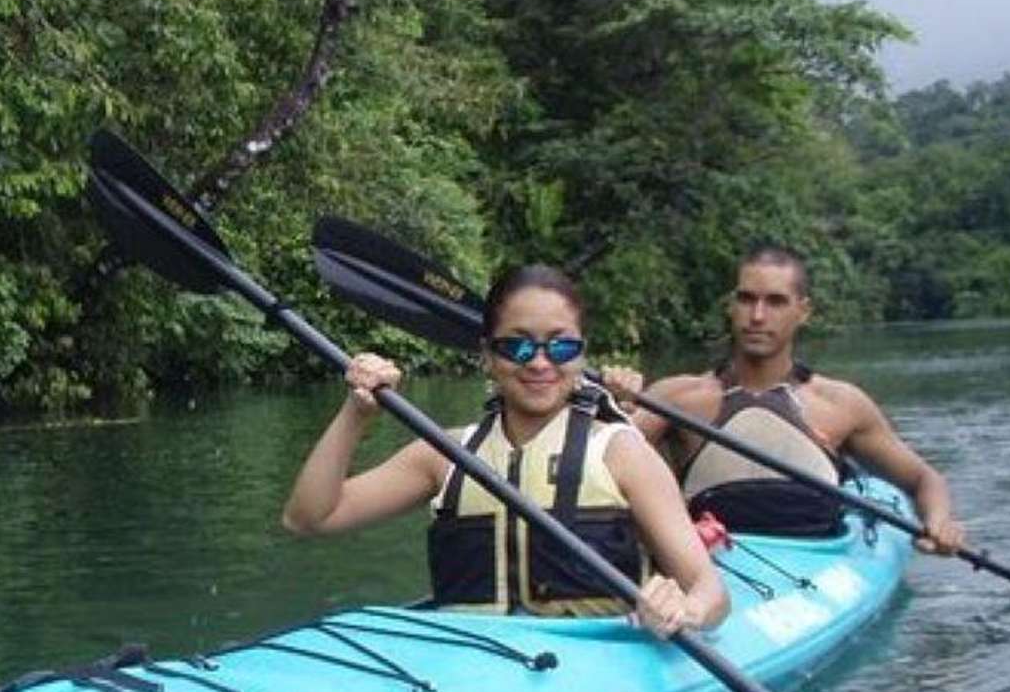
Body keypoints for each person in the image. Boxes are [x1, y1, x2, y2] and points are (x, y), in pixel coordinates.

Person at [282, 264, 727, 638]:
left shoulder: (620, 452)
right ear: (487, 356)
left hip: (596, 662)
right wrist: (355, 415)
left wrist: (683, 610)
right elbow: (309, 518)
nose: (539, 362)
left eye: (561, 345)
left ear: (581, 354)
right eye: (517, 345)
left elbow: (710, 590)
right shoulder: (444, 454)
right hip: (474, 667)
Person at [603, 244, 968, 553]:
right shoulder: (676, 398)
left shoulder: (840, 404)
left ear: (803, 311)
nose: (757, 316)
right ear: (732, 306)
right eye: (747, 300)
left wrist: (939, 521)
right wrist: (614, 406)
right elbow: (598, 463)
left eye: (775, 302)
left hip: (816, 554)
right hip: (715, 557)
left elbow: (923, 479)